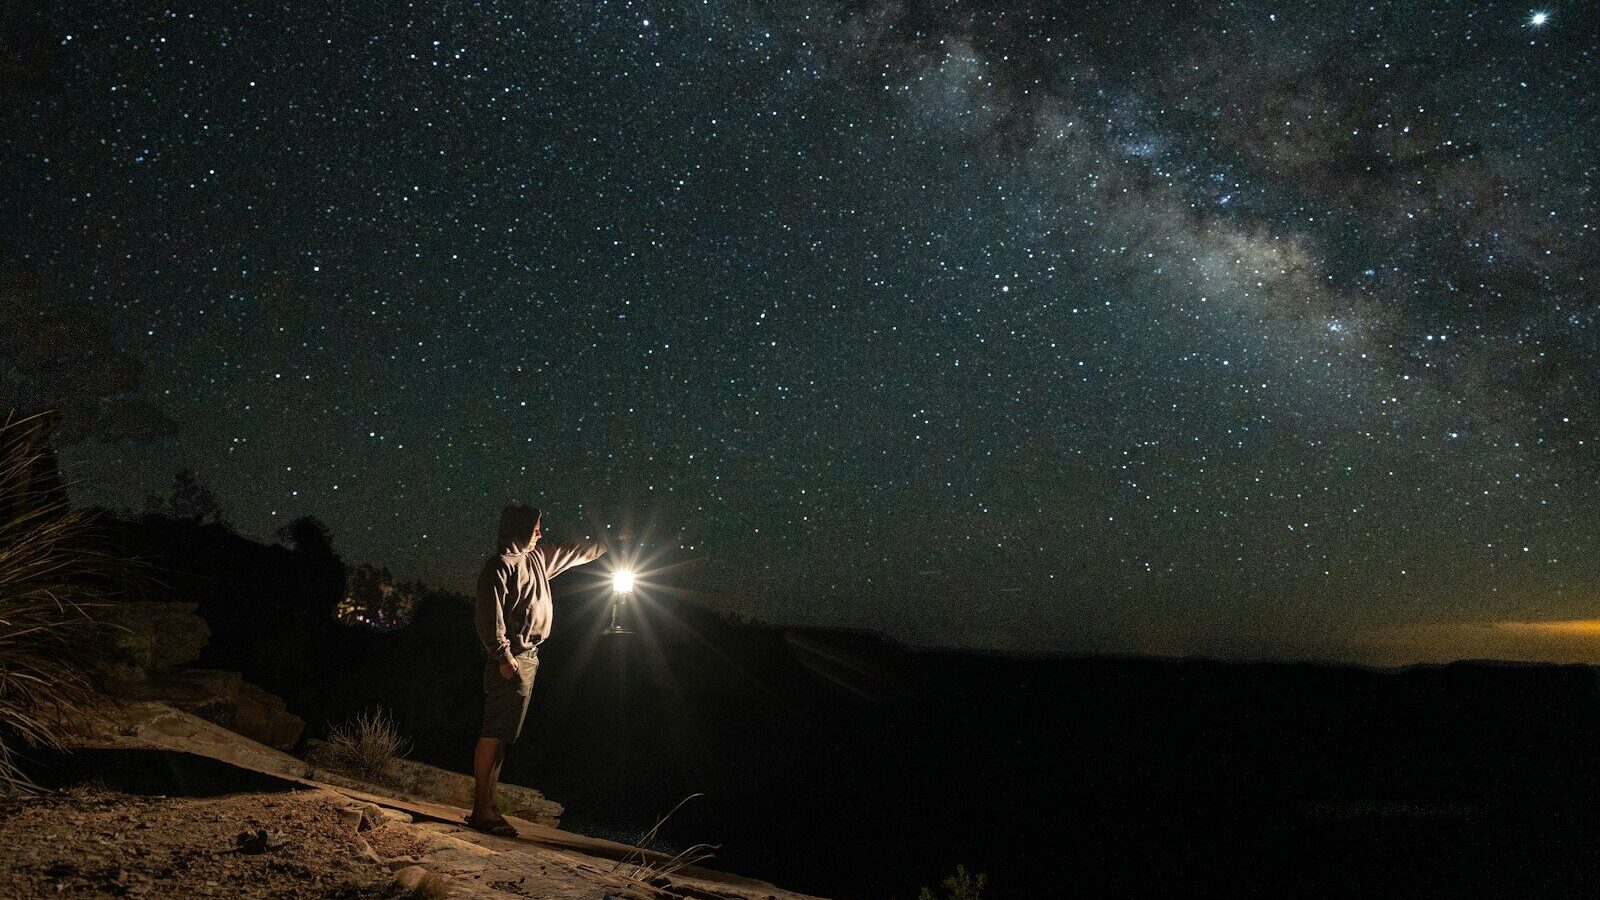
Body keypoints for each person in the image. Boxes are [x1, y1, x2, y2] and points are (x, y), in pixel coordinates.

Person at [467, 503, 606, 836]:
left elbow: (573, 552)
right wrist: (503, 657)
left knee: (503, 735)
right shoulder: (499, 567)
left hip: (528, 657)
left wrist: (609, 544)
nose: (541, 532)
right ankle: (481, 810)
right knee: (494, 731)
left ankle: (488, 807)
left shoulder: (536, 560)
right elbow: (489, 617)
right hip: (511, 661)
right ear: (519, 528)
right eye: (536, 527)